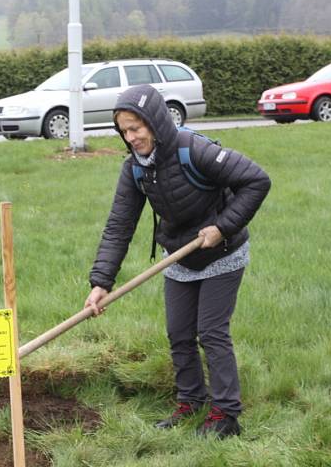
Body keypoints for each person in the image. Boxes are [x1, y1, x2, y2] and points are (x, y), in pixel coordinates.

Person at [84, 84, 271, 438]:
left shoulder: (194, 150)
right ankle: (191, 402)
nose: (131, 137)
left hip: (223, 251)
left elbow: (256, 181)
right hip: (180, 256)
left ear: (154, 123)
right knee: (179, 333)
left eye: (136, 128)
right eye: (124, 131)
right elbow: (118, 226)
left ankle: (225, 414)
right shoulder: (135, 169)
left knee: (211, 332)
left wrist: (223, 226)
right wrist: (100, 282)